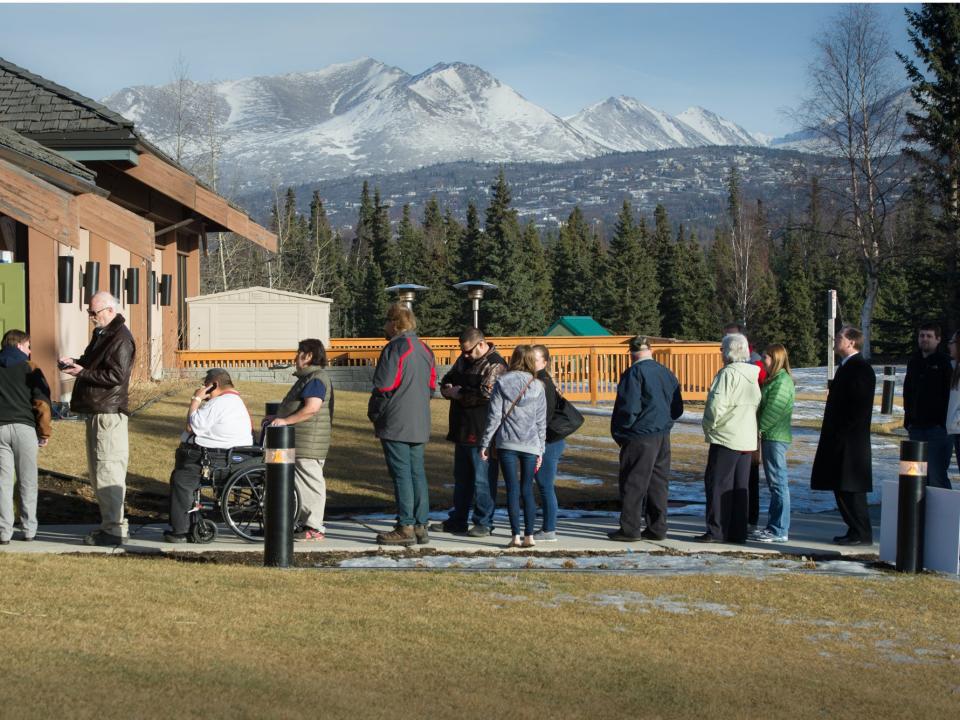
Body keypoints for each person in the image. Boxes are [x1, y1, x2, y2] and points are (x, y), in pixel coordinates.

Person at [59, 291, 135, 547]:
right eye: (90, 312)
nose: (91, 317)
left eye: (95, 312)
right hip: (99, 412)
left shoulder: (121, 338)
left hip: (109, 415)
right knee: (99, 471)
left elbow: (116, 376)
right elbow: (94, 366)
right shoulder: (103, 335)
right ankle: (113, 525)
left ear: (110, 310)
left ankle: (113, 530)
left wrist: (84, 372)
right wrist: (76, 364)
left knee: (107, 470)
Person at [368, 304, 436, 546]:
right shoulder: (425, 350)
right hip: (420, 421)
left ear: (395, 324)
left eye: (387, 321)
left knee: (402, 475)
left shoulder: (395, 348)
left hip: (396, 421)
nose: (384, 326)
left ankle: (405, 525)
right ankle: (420, 525)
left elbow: (384, 387)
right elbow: (431, 387)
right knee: (417, 473)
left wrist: (375, 413)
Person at [608, 335, 684, 542]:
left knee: (633, 483)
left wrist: (621, 430)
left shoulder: (634, 373)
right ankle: (658, 527)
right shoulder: (666, 372)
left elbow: (629, 407)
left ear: (632, 353)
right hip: (662, 434)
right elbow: (677, 407)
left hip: (640, 435)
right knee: (658, 483)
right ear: (650, 350)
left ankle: (630, 529)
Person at [165, 368, 253, 543]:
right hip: (227, 456)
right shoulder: (233, 401)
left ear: (214, 385)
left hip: (215, 460)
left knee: (182, 480)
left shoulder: (220, 403)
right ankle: (187, 522)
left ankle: (181, 530)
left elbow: (191, 426)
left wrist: (196, 399)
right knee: (183, 471)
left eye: (205, 386)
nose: (204, 390)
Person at [434, 328, 506, 537]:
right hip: (461, 428)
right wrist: (447, 388)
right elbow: (448, 377)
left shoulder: (495, 364)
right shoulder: (463, 360)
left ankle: (484, 521)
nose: (465, 355)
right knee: (462, 478)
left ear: (481, 344)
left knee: (482, 479)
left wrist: (459, 393)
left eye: (468, 351)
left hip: (482, 430)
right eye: (462, 351)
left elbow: (487, 394)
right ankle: (458, 519)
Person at [810, 325, 876, 546]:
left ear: (851, 342)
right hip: (841, 438)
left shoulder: (860, 369)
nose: (835, 340)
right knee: (841, 486)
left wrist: (841, 431)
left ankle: (862, 532)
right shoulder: (846, 367)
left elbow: (859, 407)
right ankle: (854, 529)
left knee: (851, 488)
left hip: (851, 441)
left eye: (839, 337)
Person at [696, 333, 761, 544]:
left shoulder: (727, 374)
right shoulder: (753, 374)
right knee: (740, 485)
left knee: (718, 484)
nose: (721, 353)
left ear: (730, 351)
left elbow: (716, 405)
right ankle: (737, 530)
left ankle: (716, 530)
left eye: (723, 349)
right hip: (746, 436)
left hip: (726, 436)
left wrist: (709, 426)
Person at [480, 345, 546, 549]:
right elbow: (541, 421)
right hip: (531, 443)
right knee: (527, 489)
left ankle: (515, 536)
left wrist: (485, 443)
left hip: (507, 442)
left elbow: (494, 417)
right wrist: (541, 448)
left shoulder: (502, 382)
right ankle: (530, 536)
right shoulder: (538, 386)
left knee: (512, 489)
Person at [270, 339, 334, 541]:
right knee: (296, 484)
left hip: (308, 443)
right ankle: (300, 522)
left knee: (311, 484)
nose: (295, 357)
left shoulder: (316, 379)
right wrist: (276, 418)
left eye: (299, 353)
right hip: (295, 441)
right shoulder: (308, 378)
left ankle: (315, 527)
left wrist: (285, 421)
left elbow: (312, 408)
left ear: (308, 356)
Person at [0, 330, 51, 543]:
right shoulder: (31, 368)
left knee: (2, 482)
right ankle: (29, 529)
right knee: (27, 480)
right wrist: (44, 432)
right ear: (20, 345)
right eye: (28, 346)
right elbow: (42, 403)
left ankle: (3, 531)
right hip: (25, 429)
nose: (30, 351)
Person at [722, 322, 765, 534]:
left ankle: (747, 519)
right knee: (740, 478)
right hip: (741, 428)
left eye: (728, 340)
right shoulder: (734, 368)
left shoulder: (755, 366)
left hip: (745, 428)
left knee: (745, 477)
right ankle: (740, 521)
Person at [750, 343, 795, 543]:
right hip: (770, 436)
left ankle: (779, 529)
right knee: (774, 483)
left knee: (778, 484)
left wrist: (757, 429)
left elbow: (773, 411)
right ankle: (773, 526)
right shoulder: (773, 380)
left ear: (775, 359)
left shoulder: (782, 382)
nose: (763, 362)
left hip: (775, 437)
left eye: (766, 358)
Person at [903, 322, 953, 489]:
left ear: (938, 339)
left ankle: (946, 514)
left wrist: (943, 423)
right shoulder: (913, 362)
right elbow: (907, 391)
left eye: (929, 336)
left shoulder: (945, 363)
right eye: (921, 335)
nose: (924, 339)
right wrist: (908, 420)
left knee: (936, 475)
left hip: (938, 429)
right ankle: (920, 514)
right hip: (916, 427)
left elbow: (950, 395)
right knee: (915, 476)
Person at [531, 344, 570, 542]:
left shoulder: (543, 383)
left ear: (545, 362)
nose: (531, 362)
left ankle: (549, 529)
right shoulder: (539, 380)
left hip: (549, 441)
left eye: (536, 359)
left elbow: (542, 418)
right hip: (545, 440)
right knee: (542, 484)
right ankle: (547, 527)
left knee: (545, 485)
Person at [947, 330, 960, 480]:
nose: (949, 346)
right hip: (956, 430)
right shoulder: (954, 366)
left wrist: (956, 419)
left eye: (952, 342)